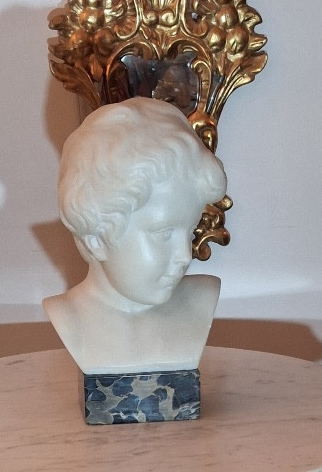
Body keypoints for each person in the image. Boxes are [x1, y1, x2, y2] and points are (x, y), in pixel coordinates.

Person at [44, 97, 227, 376]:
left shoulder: (201, 299)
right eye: (164, 233)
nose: (185, 256)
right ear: (96, 236)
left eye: (190, 231)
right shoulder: (70, 321)